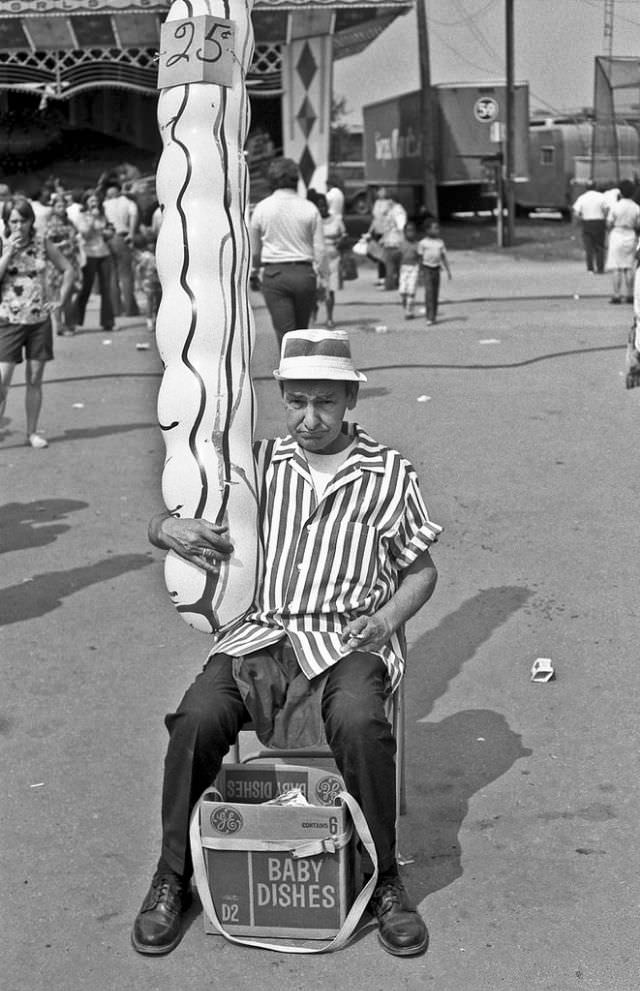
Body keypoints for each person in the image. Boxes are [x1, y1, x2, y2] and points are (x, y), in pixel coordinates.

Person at [131, 327, 442, 959]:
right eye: (296, 401)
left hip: (347, 636)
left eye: (324, 402)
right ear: (282, 397)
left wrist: (384, 622)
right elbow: (160, 520)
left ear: (350, 398)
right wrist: (168, 528)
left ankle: (385, 881)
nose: (309, 418)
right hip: (263, 633)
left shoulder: (388, 473)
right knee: (196, 718)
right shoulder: (254, 467)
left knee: (359, 720)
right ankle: (173, 875)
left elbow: (421, 570)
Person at [0, 196, 74, 448]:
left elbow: (68, 268)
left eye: (23, 221)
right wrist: (8, 252)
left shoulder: (42, 242)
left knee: (34, 379)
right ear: (6, 222)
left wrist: (60, 300)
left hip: (38, 320)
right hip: (8, 320)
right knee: (2, 381)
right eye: (13, 221)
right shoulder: (2, 244)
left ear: (31, 221)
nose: (18, 226)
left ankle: (31, 432)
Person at [250, 158, 327, 346]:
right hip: (304, 274)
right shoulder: (310, 208)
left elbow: (255, 251)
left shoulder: (262, 208)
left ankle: (288, 372)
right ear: (296, 179)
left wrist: (255, 271)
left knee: (285, 333)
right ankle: (301, 371)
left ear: (272, 180)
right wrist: (323, 278)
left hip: (275, 275)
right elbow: (320, 249)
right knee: (302, 332)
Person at [74, 190, 115, 333]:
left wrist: (108, 232)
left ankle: (108, 322)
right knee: (86, 287)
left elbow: (108, 230)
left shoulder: (103, 214)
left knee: (106, 288)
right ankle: (75, 321)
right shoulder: (82, 216)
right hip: (89, 253)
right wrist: (92, 218)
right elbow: (84, 233)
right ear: (86, 202)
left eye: (96, 200)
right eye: (91, 201)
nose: (94, 203)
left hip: (104, 253)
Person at [44, 195, 82, 337]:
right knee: (58, 295)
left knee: (71, 293)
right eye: (58, 206)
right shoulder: (51, 223)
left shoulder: (69, 221)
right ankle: (59, 325)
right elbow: (47, 243)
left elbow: (76, 236)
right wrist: (63, 243)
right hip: (56, 264)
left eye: (63, 205)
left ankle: (69, 323)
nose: (61, 208)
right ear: (53, 208)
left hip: (71, 261)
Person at [103, 180, 139, 317]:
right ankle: (130, 309)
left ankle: (116, 309)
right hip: (123, 237)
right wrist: (131, 232)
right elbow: (134, 215)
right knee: (126, 275)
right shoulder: (128, 202)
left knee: (112, 276)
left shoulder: (104, 204)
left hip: (108, 239)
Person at [313, 193, 347, 328]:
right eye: (319, 206)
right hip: (317, 260)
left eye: (323, 206)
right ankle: (314, 312)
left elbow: (344, 234)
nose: (321, 209)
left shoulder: (336, 219)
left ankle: (329, 318)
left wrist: (340, 241)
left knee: (330, 290)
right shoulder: (313, 220)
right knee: (316, 289)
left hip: (333, 259)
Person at [605, 179, 640, 304]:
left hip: (617, 234)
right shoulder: (636, 207)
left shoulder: (616, 206)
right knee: (628, 267)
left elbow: (609, 222)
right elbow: (638, 224)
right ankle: (630, 294)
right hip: (630, 235)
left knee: (616, 267)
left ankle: (616, 295)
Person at [418, 221, 452, 325]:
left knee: (435, 293)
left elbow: (443, 257)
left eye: (438, 228)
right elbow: (420, 258)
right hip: (427, 268)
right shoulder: (423, 243)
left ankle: (434, 316)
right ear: (427, 230)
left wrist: (448, 271)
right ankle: (429, 316)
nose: (437, 230)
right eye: (435, 228)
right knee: (429, 293)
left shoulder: (440, 242)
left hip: (436, 269)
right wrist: (420, 272)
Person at [572, 181, 607, 274]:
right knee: (600, 246)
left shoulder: (582, 197)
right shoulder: (601, 196)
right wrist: (604, 216)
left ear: (586, 187)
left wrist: (581, 219)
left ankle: (590, 269)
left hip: (587, 223)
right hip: (599, 222)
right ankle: (600, 268)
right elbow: (606, 208)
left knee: (589, 247)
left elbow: (576, 212)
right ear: (595, 187)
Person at [133, 229, 162, 332]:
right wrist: (139, 283)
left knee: (159, 301)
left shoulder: (159, 254)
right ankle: (149, 320)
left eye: (153, 243)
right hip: (148, 281)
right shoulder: (145, 256)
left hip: (159, 281)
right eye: (149, 244)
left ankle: (157, 319)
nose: (152, 246)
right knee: (150, 300)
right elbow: (138, 269)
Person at [367, 186, 394, 286]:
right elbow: (375, 219)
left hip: (386, 232)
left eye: (383, 190)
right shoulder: (377, 203)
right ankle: (381, 277)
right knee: (378, 255)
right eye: (379, 191)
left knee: (386, 255)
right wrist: (369, 231)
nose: (381, 192)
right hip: (377, 232)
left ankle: (389, 277)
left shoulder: (390, 203)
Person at [397, 220, 421, 319]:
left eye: (412, 231)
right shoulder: (401, 244)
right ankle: (405, 301)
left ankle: (409, 312)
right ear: (404, 232)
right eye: (408, 231)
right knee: (402, 291)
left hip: (414, 268)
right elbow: (398, 257)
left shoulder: (417, 244)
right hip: (403, 269)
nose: (410, 233)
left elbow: (420, 257)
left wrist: (421, 270)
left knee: (411, 291)